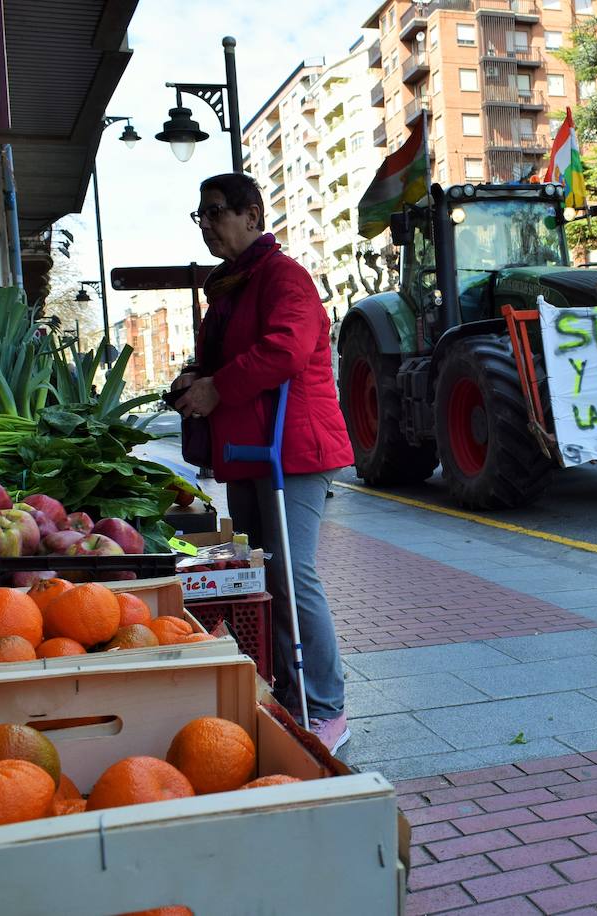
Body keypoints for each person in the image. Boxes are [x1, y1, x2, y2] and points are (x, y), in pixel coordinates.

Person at [171, 173, 355, 754]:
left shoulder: (284, 278)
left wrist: (217, 389)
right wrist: (194, 380)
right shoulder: (229, 287)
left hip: (293, 450)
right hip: (249, 452)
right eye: (199, 214)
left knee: (293, 576)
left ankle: (327, 708)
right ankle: (286, 694)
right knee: (262, 577)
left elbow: (286, 349)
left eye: (216, 212)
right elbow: (229, 359)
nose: (206, 224)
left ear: (253, 215)